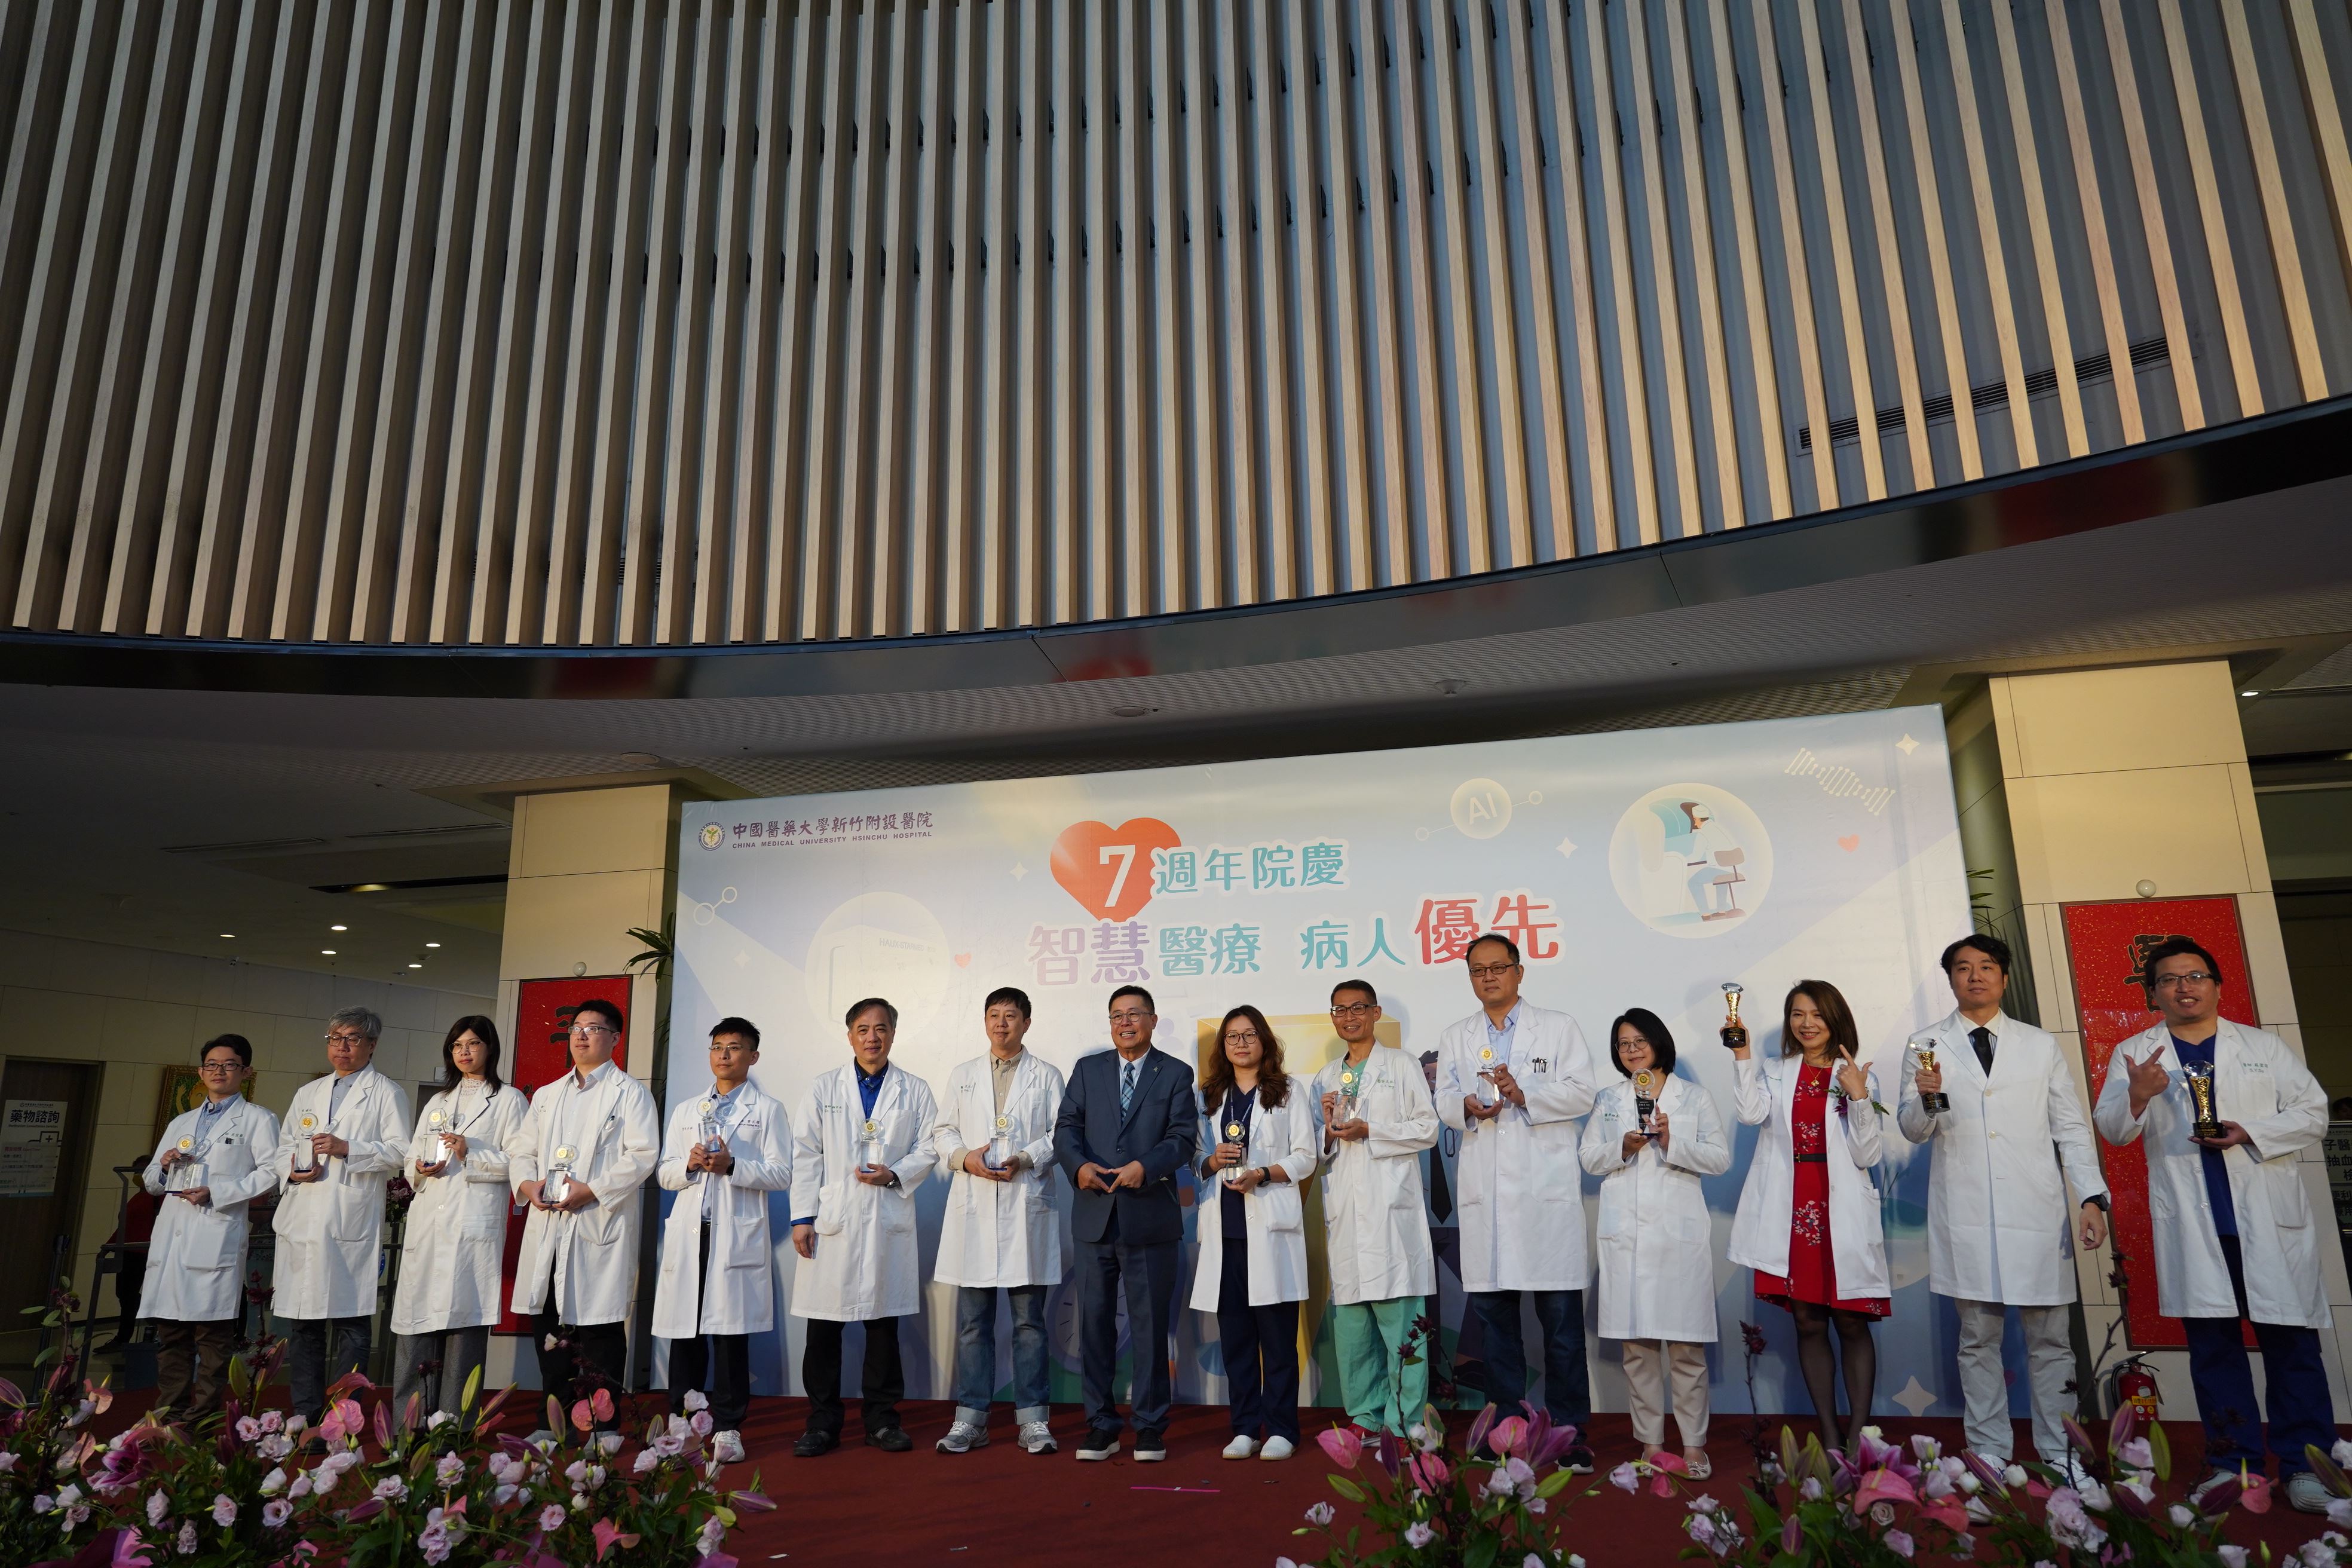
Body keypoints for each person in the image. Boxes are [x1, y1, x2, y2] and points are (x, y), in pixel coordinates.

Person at [2093, 938, 2336, 1513]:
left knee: (2293, 1347)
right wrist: (2138, 1095)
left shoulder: (2262, 1047)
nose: (2185, 987)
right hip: (2196, 1228)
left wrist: (2250, 1131)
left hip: (2267, 1223)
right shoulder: (2136, 1052)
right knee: (2215, 1353)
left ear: (2218, 986)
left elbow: (2314, 1112)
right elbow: (2114, 1129)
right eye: (2170, 979)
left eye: (2196, 976)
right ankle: (2234, 1467)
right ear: (2154, 993)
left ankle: (2306, 1467)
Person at [1898, 935, 2108, 1482]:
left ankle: (2061, 1453)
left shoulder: (2039, 1045)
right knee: (1977, 1341)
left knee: (2052, 1342)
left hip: (2036, 1211)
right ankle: (1989, 1449)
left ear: (2004, 978)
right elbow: (1914, 1130)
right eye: (1963, 968)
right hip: (1966, 1212)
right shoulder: (1926, 1044)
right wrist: (1928, 1097)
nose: (1975, 976)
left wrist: (2090, 1196)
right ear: (1950, 979)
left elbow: (2070, 1126)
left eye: (1986, 966)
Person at [1432, 933, 1598, 1471]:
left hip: (1545, 1200)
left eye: (1498, 967)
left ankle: (1570, 1436)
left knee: (1562, 1333)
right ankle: (1504, 1434)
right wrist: (1466, 1106)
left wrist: (1525, 1095)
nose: (1489, 978)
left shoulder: (1558, 1027)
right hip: (1489, 1203)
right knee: (1497, 1332)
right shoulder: (1457, 1035)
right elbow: (1444, 1098)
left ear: (1519, 972)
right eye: (1478, 970)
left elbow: (1583, 1091)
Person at [1727, 980, 1887, 1456]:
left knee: (1852, 1322)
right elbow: (1750, 1114)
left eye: (1816, 1014)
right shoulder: (1775, 1071)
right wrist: (1742, 1056)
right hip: (1792, 1207)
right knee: (1808, 1322)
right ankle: (1830, 1435)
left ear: (1835, 1019)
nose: (1807, 1023)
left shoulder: (1856, 1075)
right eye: (1798, 1014)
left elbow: (1867, 1154)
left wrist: (1859, 1097)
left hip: (1841, 1205)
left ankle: (1860, 1436)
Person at [1578, 1009, 1728, 1477]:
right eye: (1623, 1044)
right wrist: (1622, 1148)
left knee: (1686, 1350)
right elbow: (1589, 1158)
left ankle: (1694, 1447)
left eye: (1639, 1041)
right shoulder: (1609, 1099)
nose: (1632, 1050)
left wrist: (1671, 1140)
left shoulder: (1694, 1097)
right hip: (1627, 1237)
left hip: (1677, 1239)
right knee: (1638, 1351)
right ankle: (1650, 1444)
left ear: (1659, 1043)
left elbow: (1720, 1159)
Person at [1053, 984, 1199, 1463]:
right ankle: (1101, 1426)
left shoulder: (1175, 1073)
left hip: (1149, 1218)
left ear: (1153, 1020)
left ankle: (1151, 1427)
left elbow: (1182, 1138)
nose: (1126, 1023)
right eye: (1117, 1015)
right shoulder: (1088, 1070)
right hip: (1095, 1215)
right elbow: (1066, 1129)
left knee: (1151, 1328)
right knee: (1093, 1326)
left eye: (1135, 1014)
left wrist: (1147, 1167)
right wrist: (1078, 1167)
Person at [788, 997, 939, 1457]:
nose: (872, 1037)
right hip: (832, 1220)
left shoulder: (914, 1090)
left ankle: (882, 1420)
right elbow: (806, 1153)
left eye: (881, 1029)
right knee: (823, 1330)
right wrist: (803, 1217)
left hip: (885, 1218)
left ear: (893, 1033)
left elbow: (929, 1147)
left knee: (882, 1327)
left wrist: (895, 1173)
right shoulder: (824, 1088)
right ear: (850, 1035)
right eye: (863, 1029)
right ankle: (822, 1423)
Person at [510, 998, 661, 1428]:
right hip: (549, 1224)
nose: (581, 1035)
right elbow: (521, 1150)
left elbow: (643, 1155)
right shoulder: (547, 1095)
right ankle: (552, 1422)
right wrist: (529, 1186)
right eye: (576, 1027)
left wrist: (592, 1190)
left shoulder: (630, 1093)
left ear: (615, 1039)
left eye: (593, 1028)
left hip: (597, 1224)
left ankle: (602, 1426)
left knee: (601, 1332)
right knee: (549, 1329)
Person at [930, 987, 1067, 1456]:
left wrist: (1026, 1158)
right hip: (975, 1208)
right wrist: (964, 1158)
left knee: (1029, 1324)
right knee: (974, 1324)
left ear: (1026, 1023)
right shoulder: (963, 1075)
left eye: (1011, 1016)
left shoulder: (1047, 1076)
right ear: (985, 1022)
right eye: (994, 1015)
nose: (1002, 1024)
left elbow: (1062, 1133)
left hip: (1024, 1207)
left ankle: (1033, 1420)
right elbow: (943, 1130)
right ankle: (971, 1420)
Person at [654, 1016, 790, 1465]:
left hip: (734, 1234)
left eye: (734, 1047)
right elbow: (665, 1172)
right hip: (692, 1232)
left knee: (731, 1336)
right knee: (686, 1332)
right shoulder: (687, 1110)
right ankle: (681, 1423)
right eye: (717, 1047)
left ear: (753, 1056)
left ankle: (729, 1426)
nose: (724, 1055)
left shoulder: (768, 1110)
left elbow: (782, 1174)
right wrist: (690, 1165)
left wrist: (733, 1166)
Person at [1312, 980, 1438, 1438]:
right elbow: (1316, 1148)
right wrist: (1328, 1130)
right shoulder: (1326, 1077)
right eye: (1340, 1010)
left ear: (1375, 1012)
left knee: (1401, 1324)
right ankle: (1365, 1416)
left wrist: (1372, 1130)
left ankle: (1405, 1420)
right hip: (1347, 1211)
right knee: (1353, 1330)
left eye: (1358, 1008)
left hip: (1390, 1212)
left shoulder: (1401, 1065)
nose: (1349, 1017)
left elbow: (1428, 1129)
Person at [1190, 1005, 1318, 1460]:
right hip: (1224, 1234)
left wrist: (1262, 1173)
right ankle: (1245, 1428)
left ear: (1264, 1041)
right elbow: (1194, 1158)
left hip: (1270, 1229)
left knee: (1278, 1341)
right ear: (1222, 1046)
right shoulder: (1208, 1096)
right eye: (1232, 1037)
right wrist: (1212, 1161)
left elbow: (1306, 1156)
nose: (1241, 1044)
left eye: (1249, 1035)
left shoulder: (1288, 1092)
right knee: (1237, 1341)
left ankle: (1282, 1429)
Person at [274, 1006, 412, 1424]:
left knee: (350, 1321)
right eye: (335, 1038)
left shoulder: (386, 1092)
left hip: (348, 1218)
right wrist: (292, 1170)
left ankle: (343, 1415)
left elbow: (401, 1152)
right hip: (304, 1214)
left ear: (372, 1045)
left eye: (352, 1039)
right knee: (304, 1323)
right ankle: (305, 1411)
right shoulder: (309, 1092)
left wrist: (348, 1148)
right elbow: (283, 1148)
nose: (342, 1047)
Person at [390, 1016, 528, 1422]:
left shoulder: (509, 1100)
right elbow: (411, 1158)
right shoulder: (437, 1101)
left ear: (490, 1048)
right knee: (415, 1321)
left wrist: (472, 1153)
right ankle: (409, 1423)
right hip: (429, 1219)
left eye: (473, 1044)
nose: (464, 1052)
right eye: (456, 1046)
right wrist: (419, 1167)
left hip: (471, 1223)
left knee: (463, 1326)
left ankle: (454, 1424)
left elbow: (521, 1162)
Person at [141, 1033, 280, 1419]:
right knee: (171, 1335)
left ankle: (200, 1420)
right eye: (211, 1065)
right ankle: (168, 1417)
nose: (219, 1072)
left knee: (212, 1338)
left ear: (245, 1072)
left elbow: (271, 1173)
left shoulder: (258, 1119)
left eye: (229, 1065)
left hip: (216, 1231)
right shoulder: (181, 1122)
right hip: (174, 1234)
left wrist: (217, 1192)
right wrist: (165, 1166)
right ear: (200, 1072)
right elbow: (150, 1180)